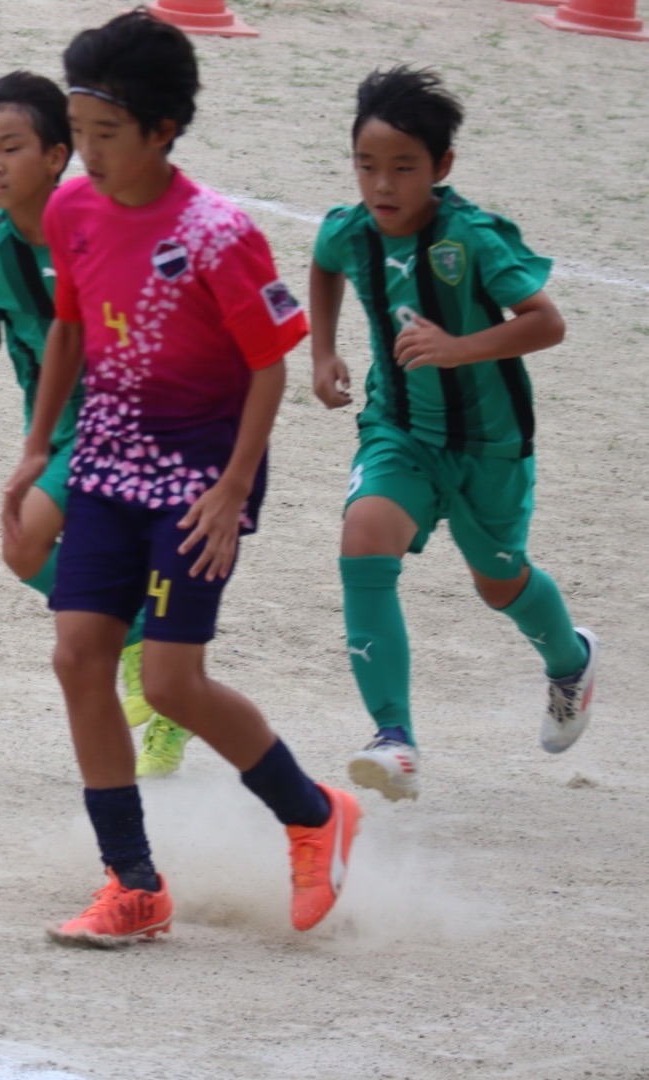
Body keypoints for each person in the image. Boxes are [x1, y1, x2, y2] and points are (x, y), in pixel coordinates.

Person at [3, 8, 360, 945]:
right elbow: (69, 328)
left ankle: (314, 814)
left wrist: (234, 487)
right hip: (105, 465)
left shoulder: (216, 233)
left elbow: (267, 364)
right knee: (77, 655)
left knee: (168, 681)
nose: (86, 155)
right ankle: (132, 884)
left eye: (105, 135)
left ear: (162, 131)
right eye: (77, 132)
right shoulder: (72, 212)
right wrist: (38, 447)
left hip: (199, 482)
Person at [308, 66, 598, 803]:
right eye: (366, 165)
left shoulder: (470, 238)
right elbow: (324, 262)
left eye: (403, 167)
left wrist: (459, 347)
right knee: (362, 537)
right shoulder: (350, 231)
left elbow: (547, 322)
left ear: (441, 166)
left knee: (498, 583)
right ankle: (393, 737)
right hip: (398, 431)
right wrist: (322, 350)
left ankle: (569, 662)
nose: (382, 184)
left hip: (489, 446)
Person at [0, 70, 192, 777]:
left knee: (33, 545)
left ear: (58, 156)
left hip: (129, 421)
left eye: (9, 148)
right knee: (26, 550)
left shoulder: (104, 228)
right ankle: (164, 688)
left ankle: (144, 647)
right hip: (54, 432)